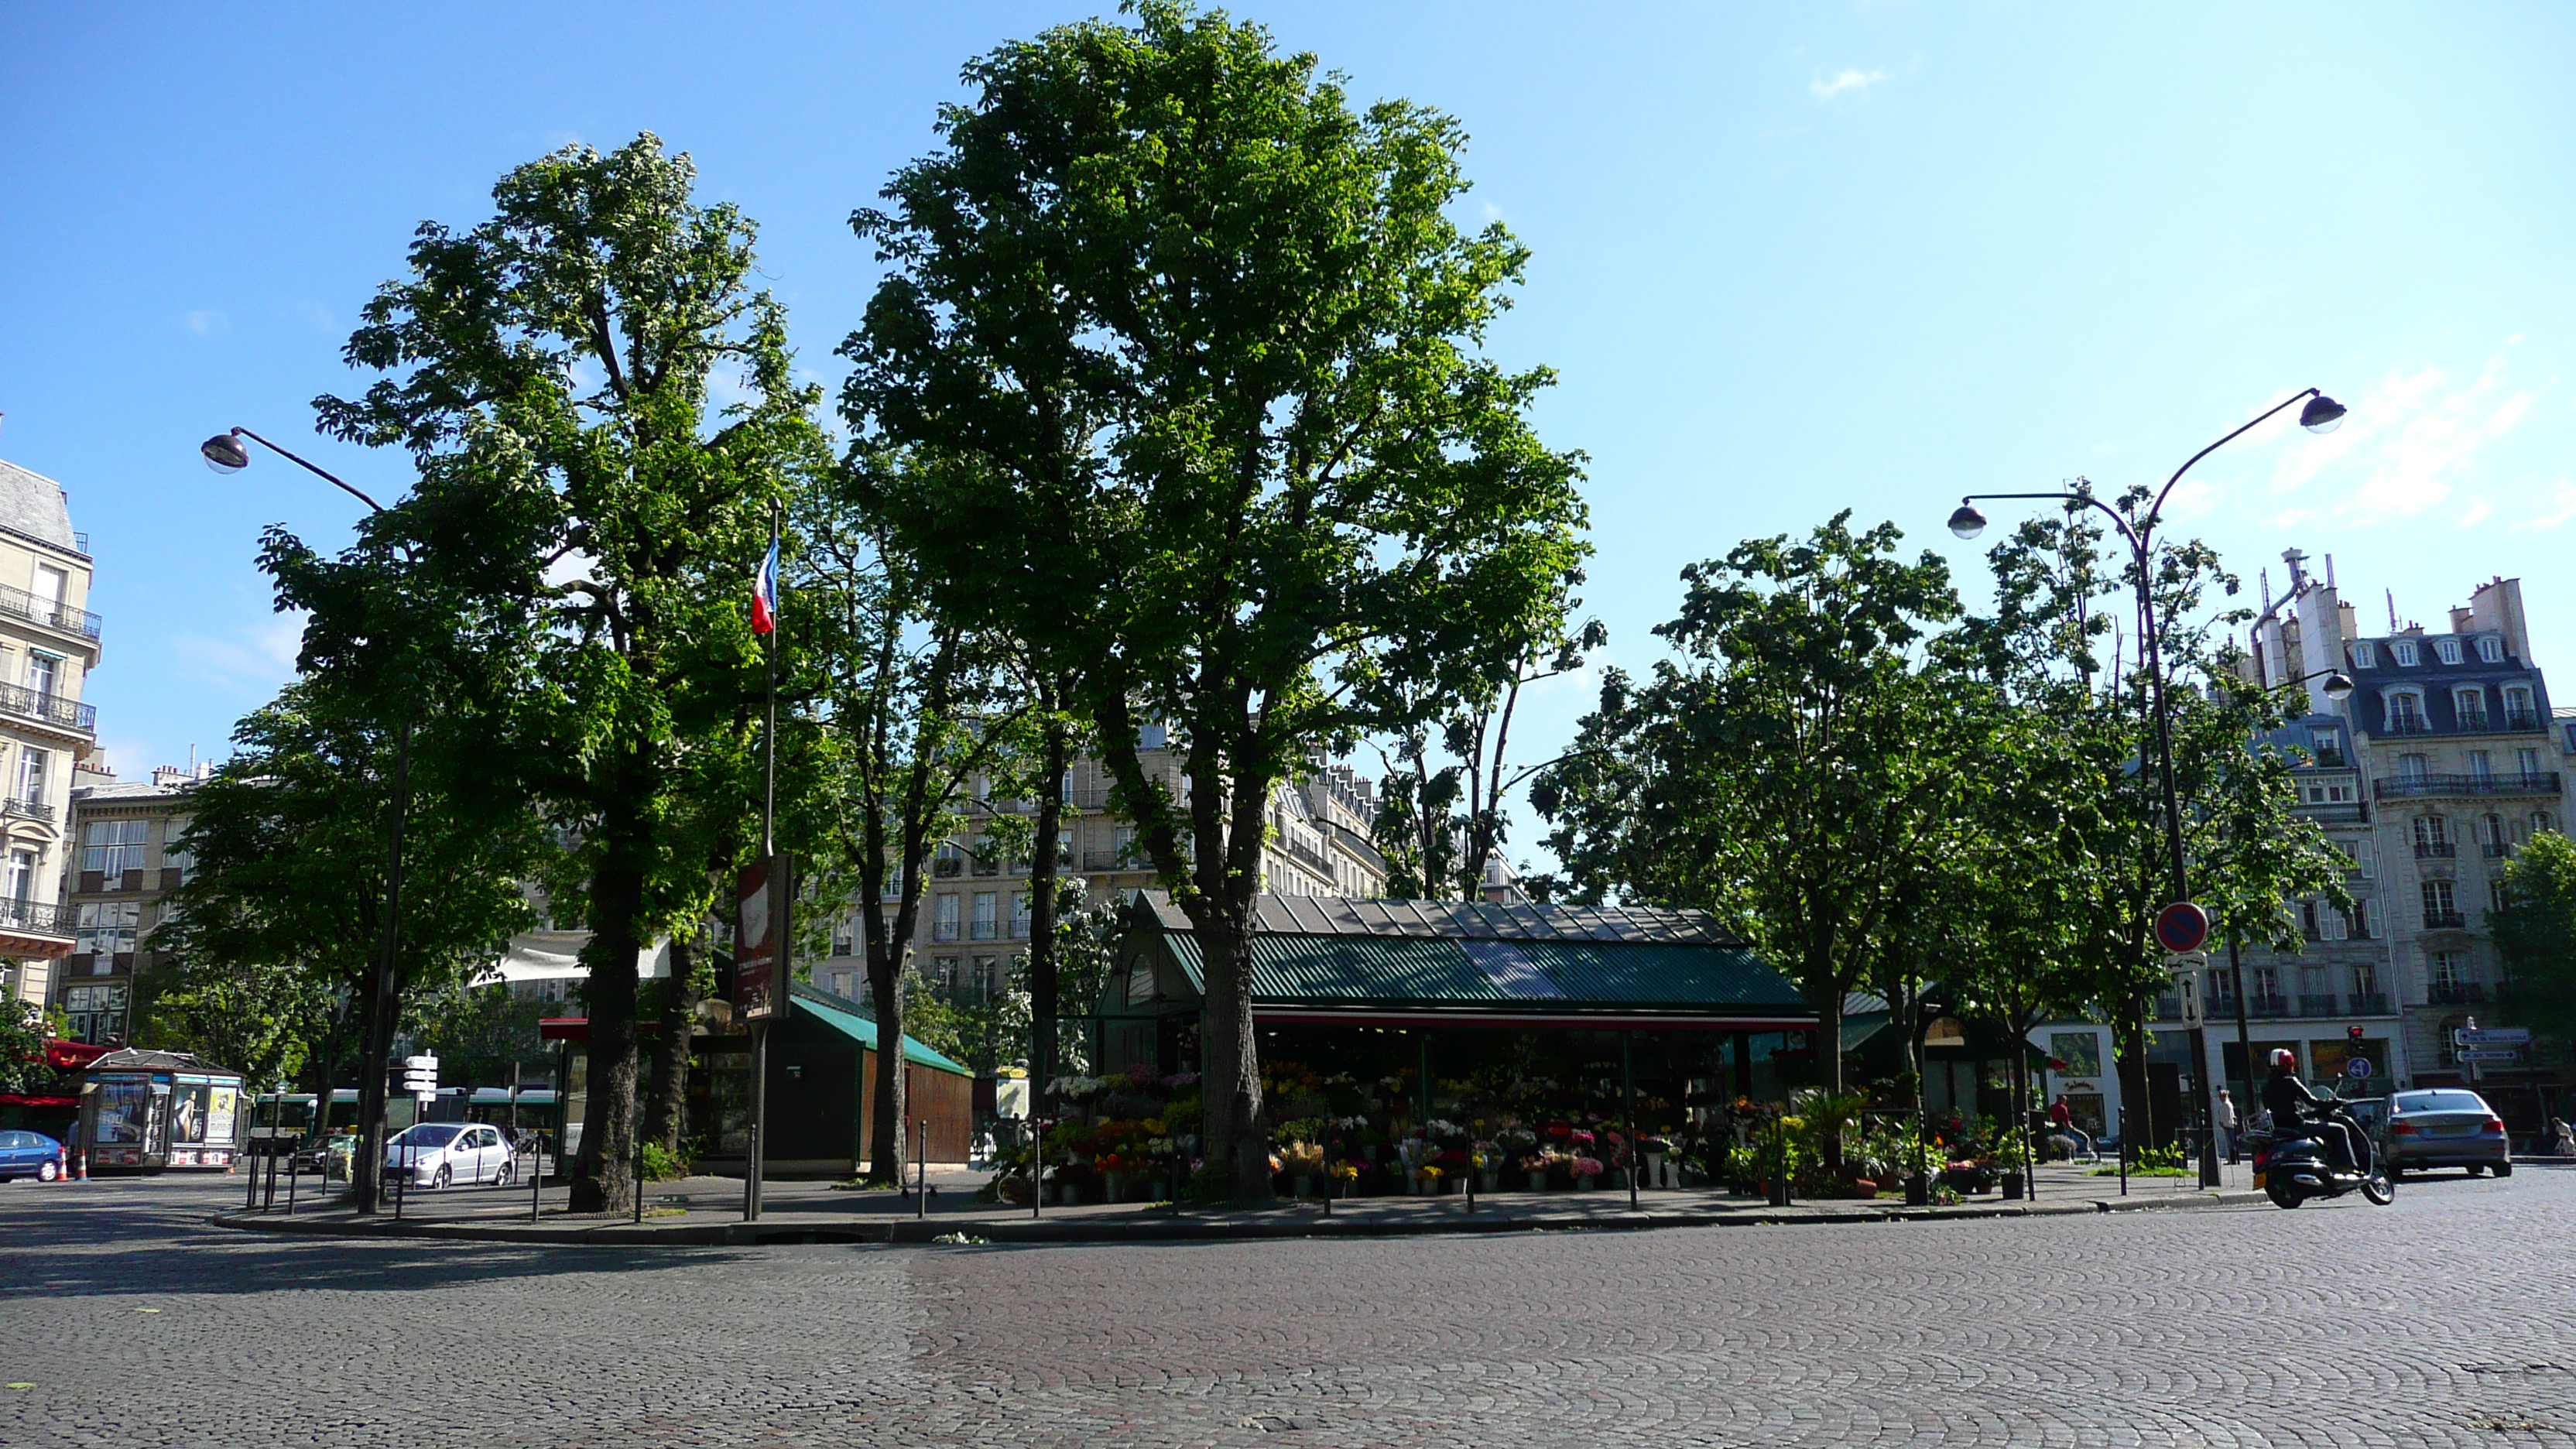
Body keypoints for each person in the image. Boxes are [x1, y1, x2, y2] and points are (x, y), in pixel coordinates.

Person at [2261, 1048, 2358, 1172]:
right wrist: (2334, 1103)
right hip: (2297, 1126)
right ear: (2289, 1065)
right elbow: (2313, 1102)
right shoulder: (2291, 1082)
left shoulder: (2266, 1087)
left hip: (2280, 1129)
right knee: (2340, 1129)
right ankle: (2348, 1165)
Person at [2047, 1094, 2094, 1162]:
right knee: (2063, 1140)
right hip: (2061, 1125)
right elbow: (2066, 1118)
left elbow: (2051, 1114)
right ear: (2063, 1100)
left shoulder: (2052, 1107)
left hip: (2054, 1124)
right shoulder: (2063, 1108)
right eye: (2065, 1101)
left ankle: (2055, 1155)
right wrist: (2070, 1126)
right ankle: (2064, 1156)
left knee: (2054, 1140)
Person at [2214, 1087, 2240, 1164]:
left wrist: (2223, 1124)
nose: (2220, 1098)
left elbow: (2227, 1117)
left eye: (2221, 1096)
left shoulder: (2226, 1105)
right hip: (2229, 1125)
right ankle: (2232, 1159)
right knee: (2231, 1143)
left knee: (2230, 1143)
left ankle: (2232, 1160)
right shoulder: (2229, 1104)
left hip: (2228, 1126)